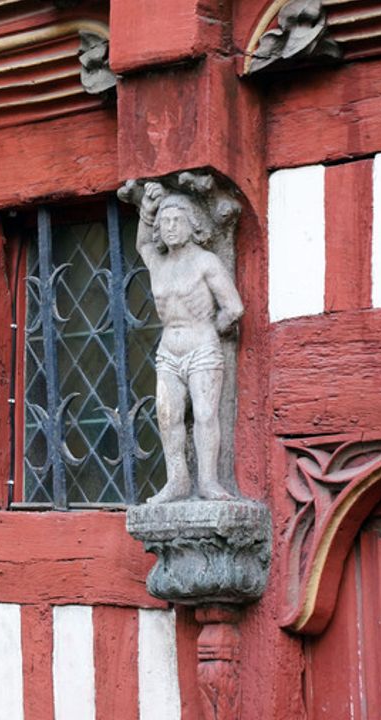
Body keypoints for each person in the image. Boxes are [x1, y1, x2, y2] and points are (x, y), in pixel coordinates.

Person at [136, 181, 243, 503]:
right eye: (164, 222)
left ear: (191, 224)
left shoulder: (205, 261)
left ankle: (208, 482)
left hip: (201, 346)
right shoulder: (158, 262)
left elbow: (234, 307)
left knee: (206, 413)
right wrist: (147, 210)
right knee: (168, 417)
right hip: (169, 350)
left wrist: (217, 327)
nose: (169, 228)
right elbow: (142, 243)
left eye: (176, 221)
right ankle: (177, 481)